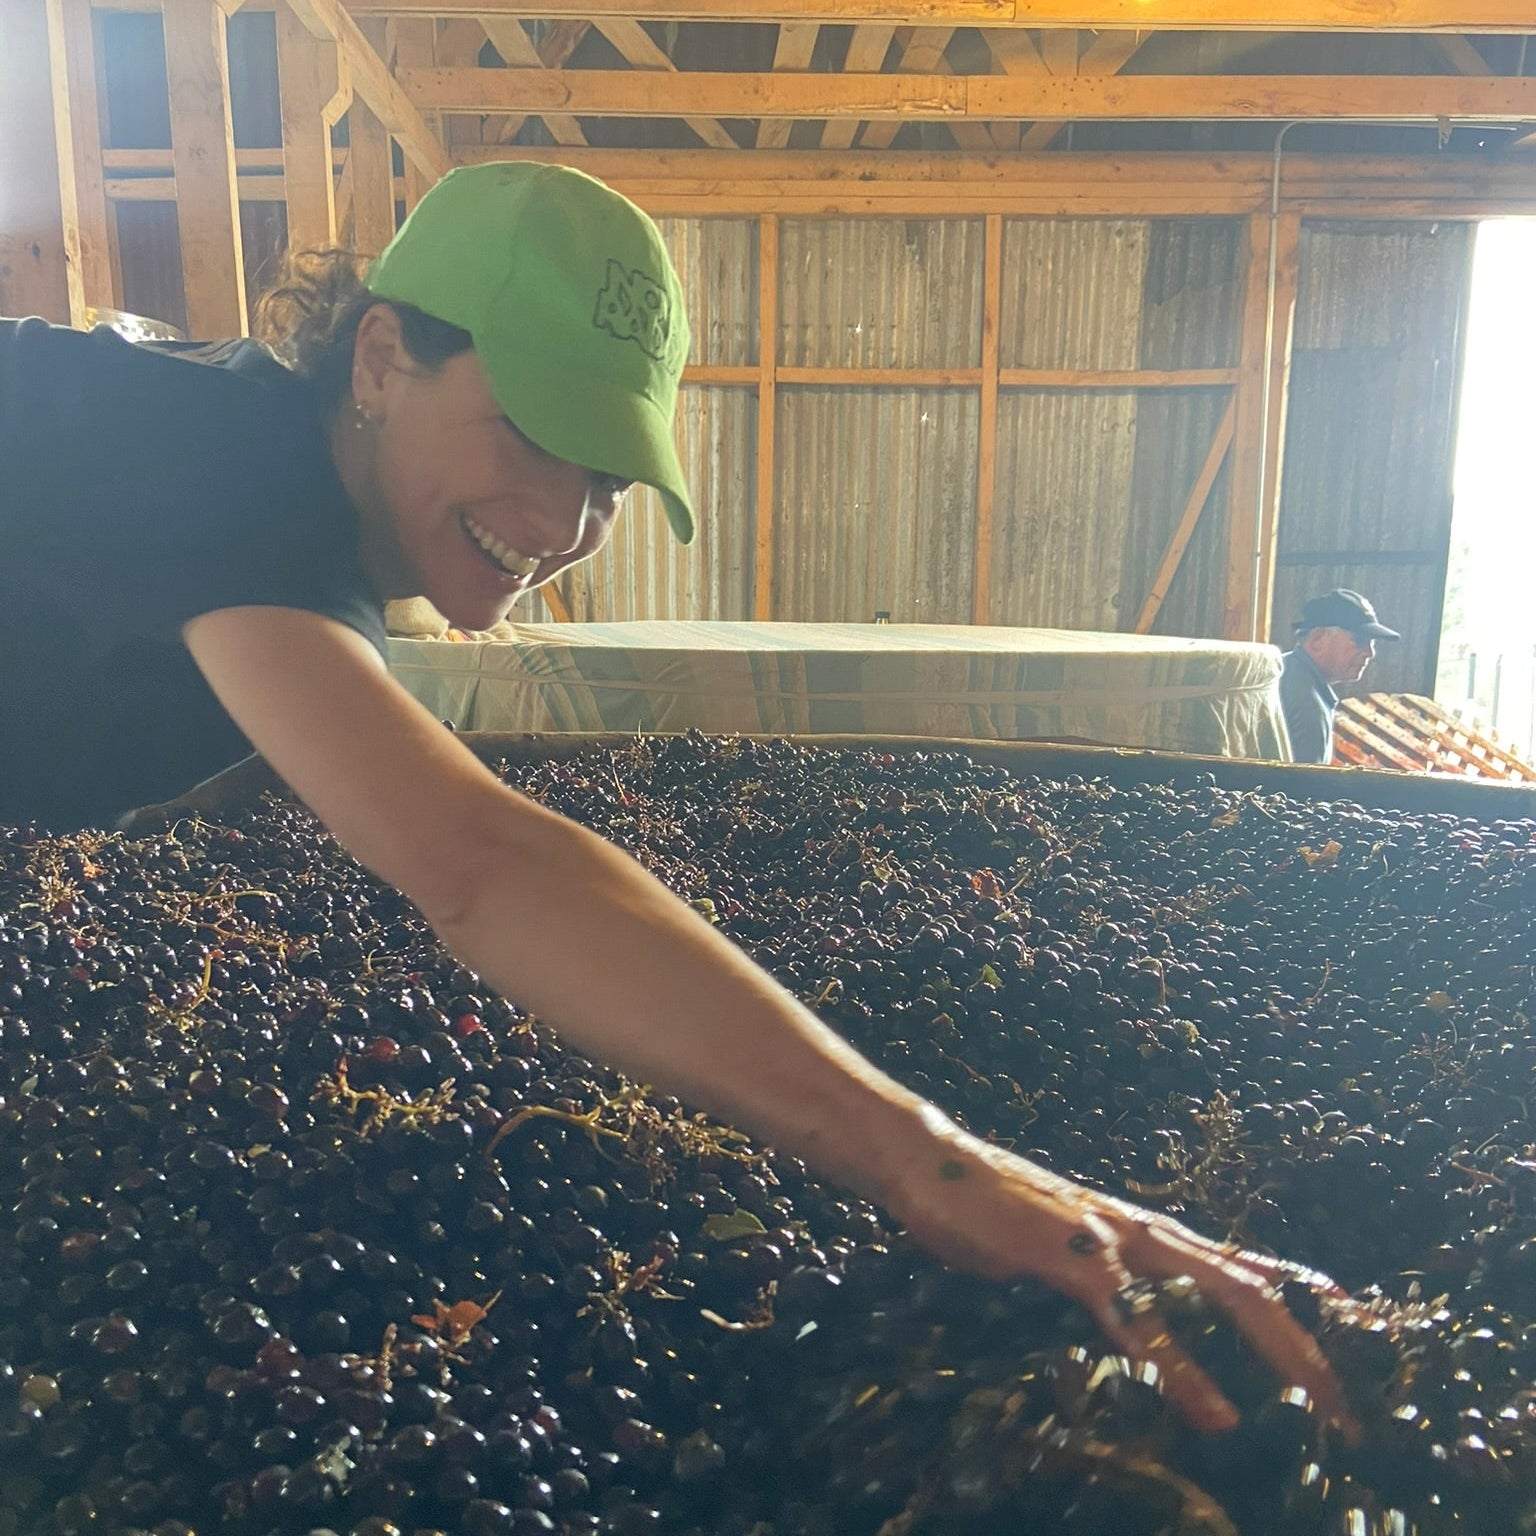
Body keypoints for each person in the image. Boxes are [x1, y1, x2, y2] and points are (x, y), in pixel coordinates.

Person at [0, 163, 1354, 1438]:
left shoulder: (271, 495)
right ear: (380, 357)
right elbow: (481, 863)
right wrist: (928, 1161)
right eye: (532, 431)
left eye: (608, 474)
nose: (566, 517)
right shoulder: (215, 472)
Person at [1278, 589, 1401, 764]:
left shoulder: (1285, 671)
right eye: (1359, 640)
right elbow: (1304, 787)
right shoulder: (1308, 703)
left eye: (1371, 642)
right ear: (1318, 639)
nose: (1370, 652)